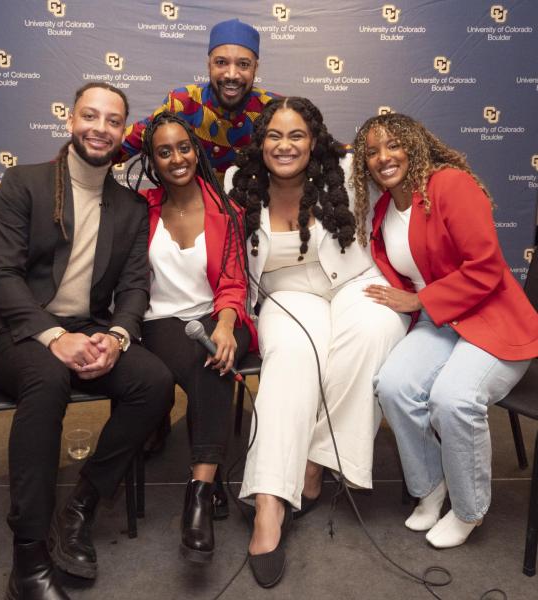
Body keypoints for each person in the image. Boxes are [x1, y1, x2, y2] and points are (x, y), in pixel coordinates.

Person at [0, 83, 174, 600]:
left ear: (124, 132)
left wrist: (118, 337)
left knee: (154, 380)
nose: (100, 128)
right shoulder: (24, 182)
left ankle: (80, 504)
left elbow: (135, 285)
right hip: (14, 328)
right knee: (47, 375)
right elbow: (2, 275)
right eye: (90, 116)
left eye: (113, 120)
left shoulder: (128, 206)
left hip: (85, 327)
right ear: (70, 121)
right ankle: (29, 556)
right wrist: (52, 336)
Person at [228, 97, 409, 587]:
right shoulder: (236, 184)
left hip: (353, 283)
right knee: (291, 355)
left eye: (297, 136)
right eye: (274, 136)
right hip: (286, 291)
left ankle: (313, 463)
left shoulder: (350, 170)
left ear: (315, 140)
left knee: (376, 330)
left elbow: (406, 163)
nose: (285, 146)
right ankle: (269, 502)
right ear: (261, 140)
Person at [352, 112, 538, 548]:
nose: (384, 157)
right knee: (394, 385)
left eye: (393, 145)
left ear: (414, 145)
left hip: (493, 319)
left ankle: (469, 510)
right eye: (372, 152)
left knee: (453, 399)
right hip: (439, 323)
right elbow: (401, 274)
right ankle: (431, 485)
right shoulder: (382, 209)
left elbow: (486, 268)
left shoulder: (448, 184)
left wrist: (421, 301)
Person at [134, 111, 255, 563]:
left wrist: (225, 325)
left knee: (215, 358)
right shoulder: (140, 208)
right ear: (152, 160)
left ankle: (198, 495)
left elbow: (234, 282)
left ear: (197, 150)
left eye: (183, 147)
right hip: (162, 320)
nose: (177, 158)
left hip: (221, 314)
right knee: (212, 368)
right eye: (164, 151)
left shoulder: (227, 210)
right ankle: (208, 487)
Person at [120, 18, 280, 182]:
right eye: (221, 63)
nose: (232, 74)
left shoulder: (273, 109)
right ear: (209, 65)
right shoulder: (183, 102)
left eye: (243, 65)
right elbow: (129, 141)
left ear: (255, 69)